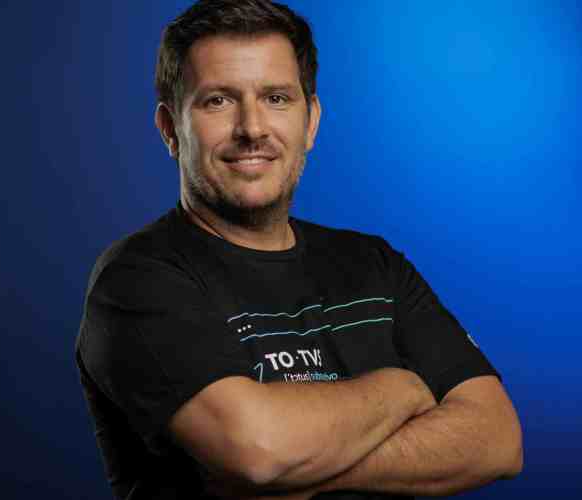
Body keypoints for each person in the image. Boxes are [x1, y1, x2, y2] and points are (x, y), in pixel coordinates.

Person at [76, 1, 523, 498]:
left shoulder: (374, 265)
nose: (252, 128)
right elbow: (258, 450)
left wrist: (300, 469)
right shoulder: (136, 281)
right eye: (218, 101)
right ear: (169, 129)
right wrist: (403, 388)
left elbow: (497, 440)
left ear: (310, 122)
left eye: (276, 98)